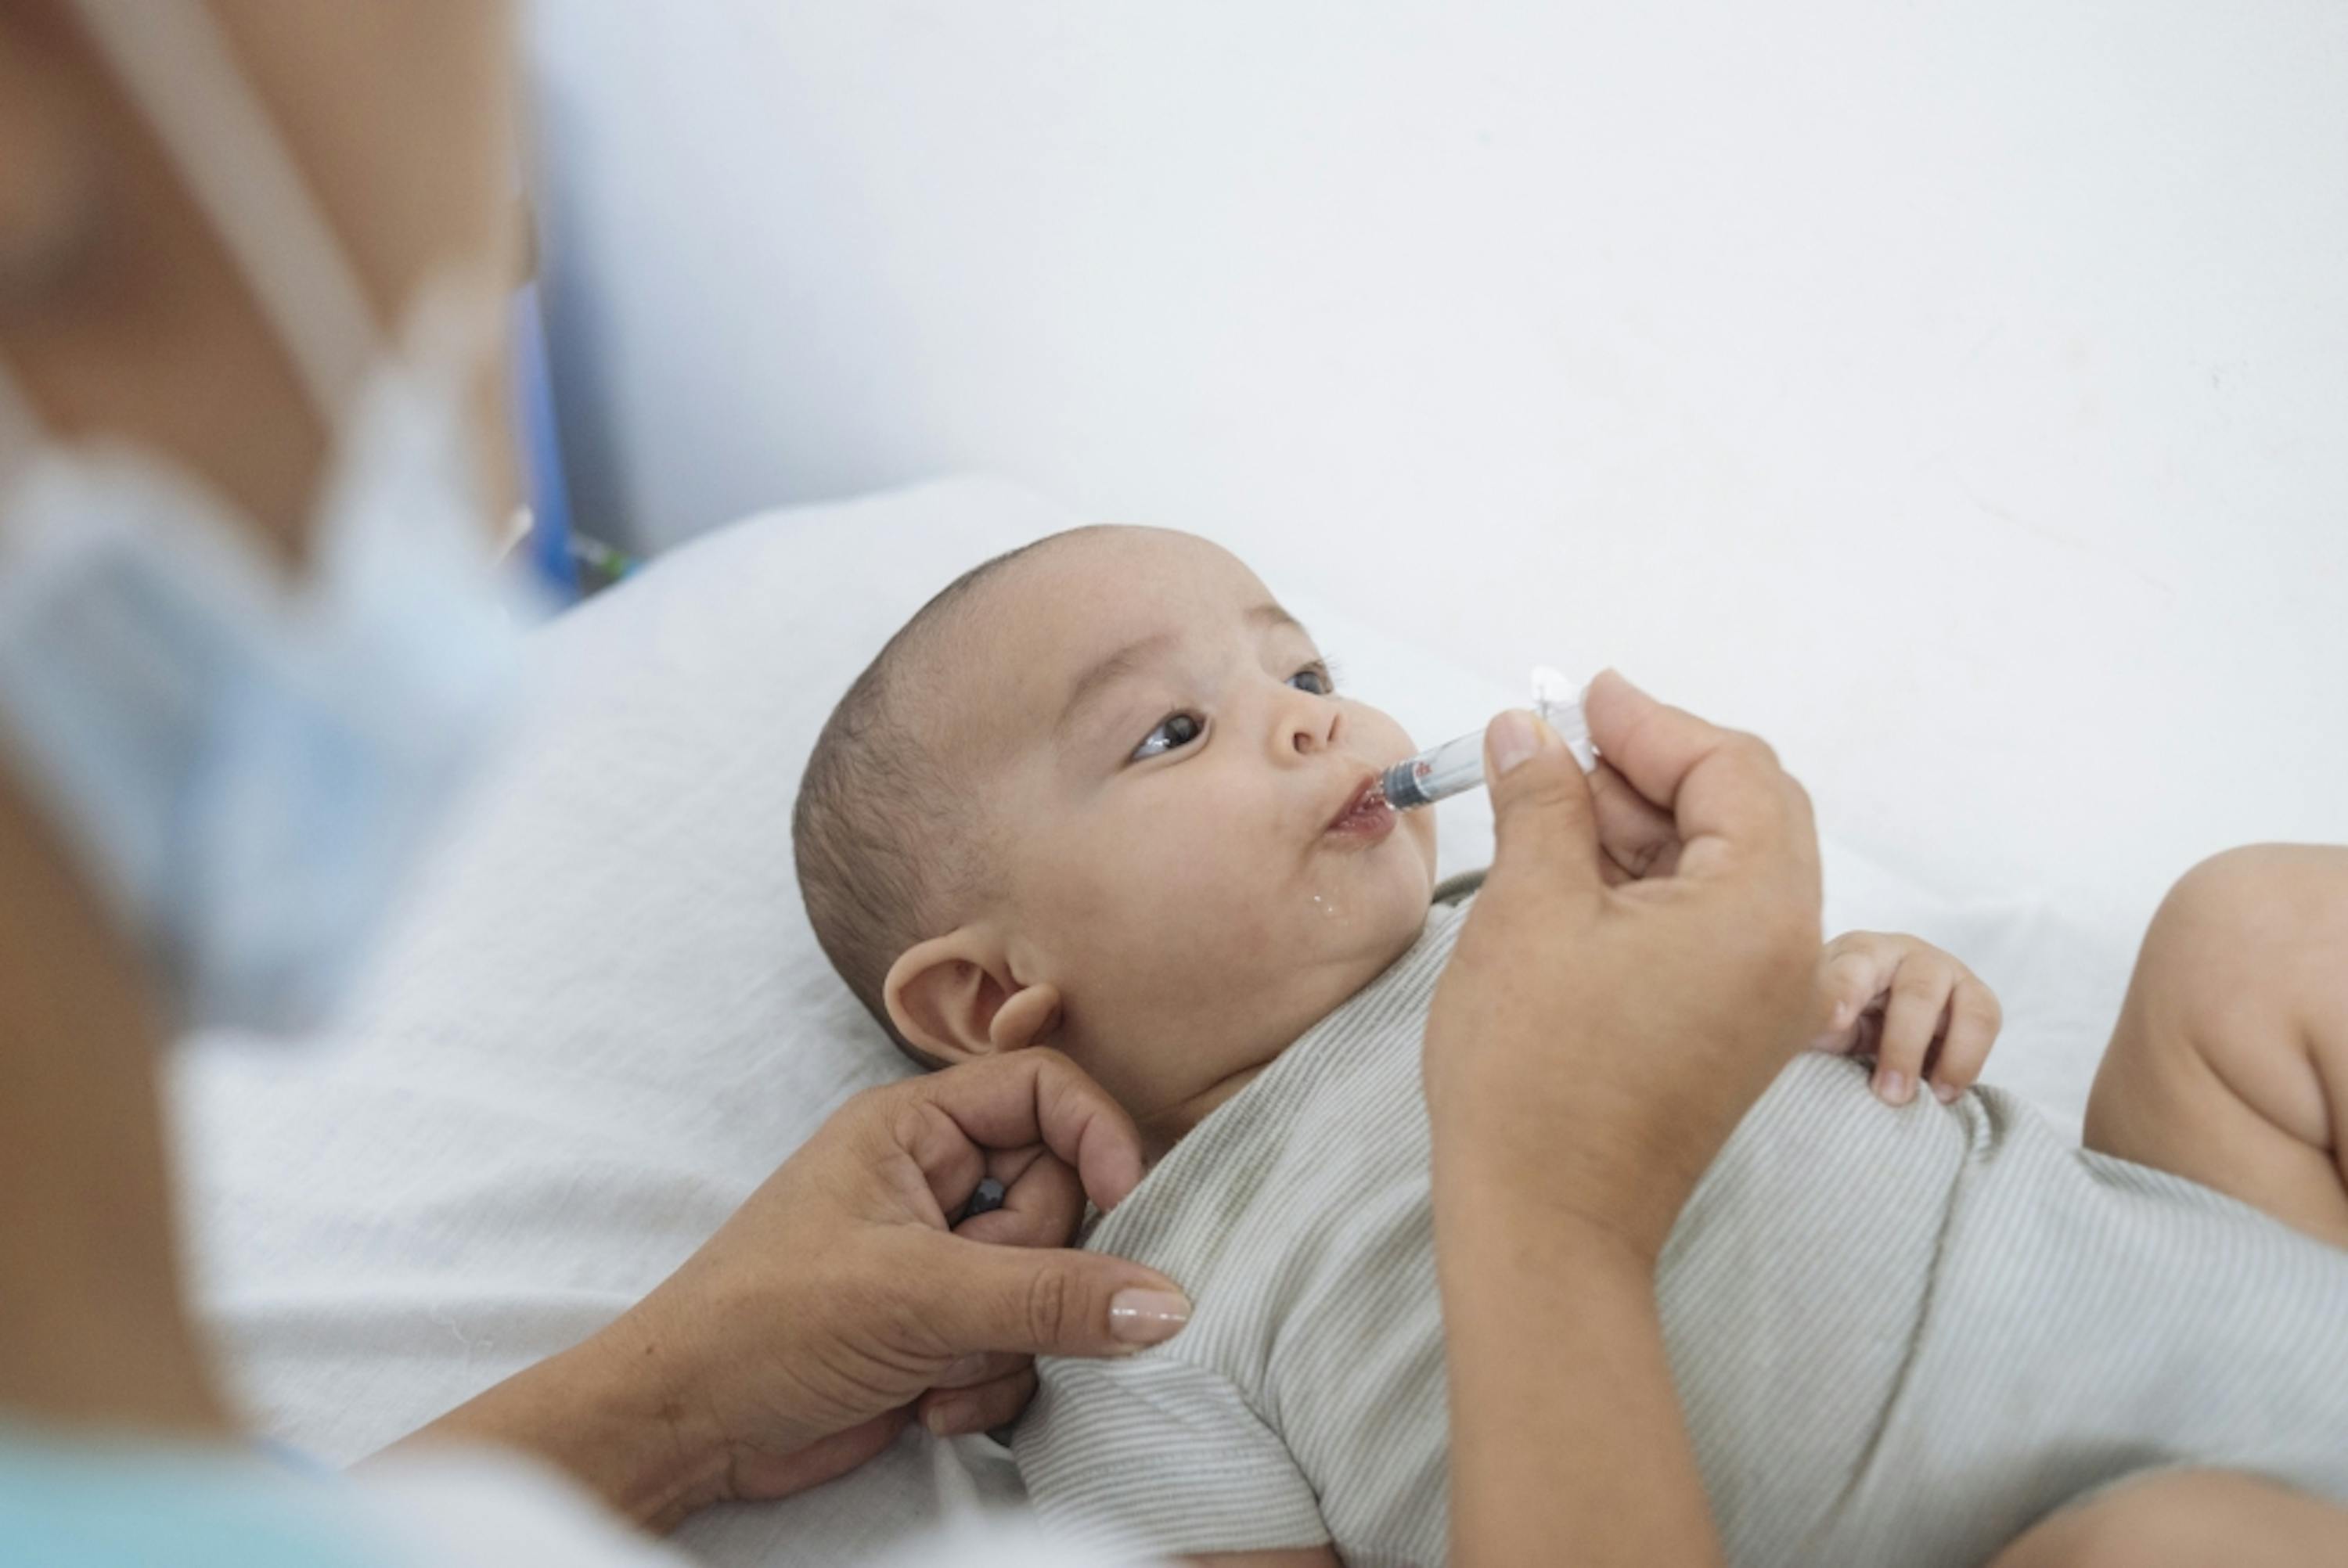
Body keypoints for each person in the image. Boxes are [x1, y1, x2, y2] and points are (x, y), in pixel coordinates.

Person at [0, 2, 1866, 1565]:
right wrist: (1549, 1222)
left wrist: (663, 1405)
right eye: (1169, 731)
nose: (496, 249)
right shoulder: (1162, 1342)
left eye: (1310, 674)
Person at [792, 523, 2348, 1566]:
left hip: (2255, 1299)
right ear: (990, 996)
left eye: (1307, 672)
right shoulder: (1136, 1318)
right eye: (1170, 733)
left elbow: (1801, 1049)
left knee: (2254, 931)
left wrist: (1869, 984)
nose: (1318, 722)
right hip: (2088, 1523)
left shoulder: (1542, 909)